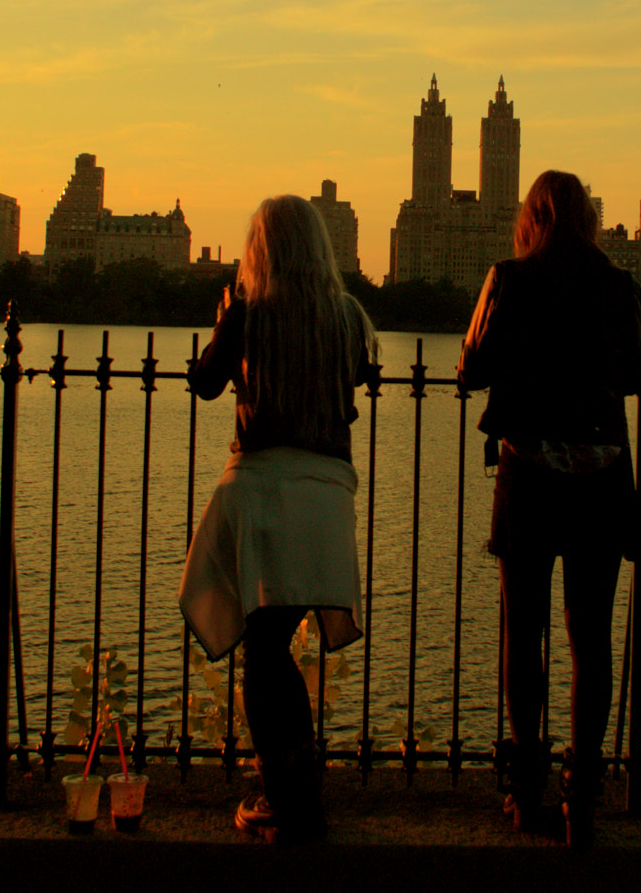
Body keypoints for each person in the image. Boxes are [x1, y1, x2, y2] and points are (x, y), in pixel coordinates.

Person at [458, 169, 641, 848]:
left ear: (532, 216)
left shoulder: (508, 280)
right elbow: (636, 373)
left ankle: (525, 787)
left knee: (524, 633)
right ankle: (583, 795)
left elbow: (472, 368)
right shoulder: (618, 285)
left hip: (530, 476)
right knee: (589, 638)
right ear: (589, 219)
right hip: (600, 478)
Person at [178, 194, 376, 845]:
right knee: (272, 648)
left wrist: (223, 328)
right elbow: (349, 397)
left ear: (259, 249)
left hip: (264, 490)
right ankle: (295, 790)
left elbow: (206, 385)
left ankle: (289, 802)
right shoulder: (349, 317)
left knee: (262, 653)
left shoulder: (248, 315)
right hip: (325, 492)